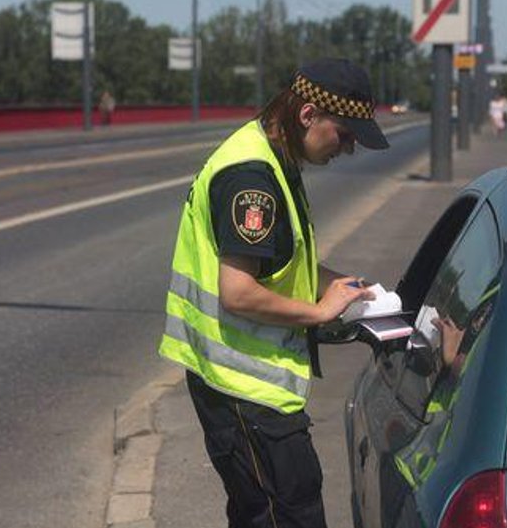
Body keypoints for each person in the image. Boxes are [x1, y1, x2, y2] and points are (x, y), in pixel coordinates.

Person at [158, 58, 389, 528]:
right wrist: (319, 311)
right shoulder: (251, 178)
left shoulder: (275, 154)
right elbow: (238, 293)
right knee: (287, 514)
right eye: (344, 135)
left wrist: (338, 285)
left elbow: (281, 257)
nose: (347, 150)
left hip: (247, 389)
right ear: (308, 115)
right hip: (245, 391)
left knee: (258, 514)